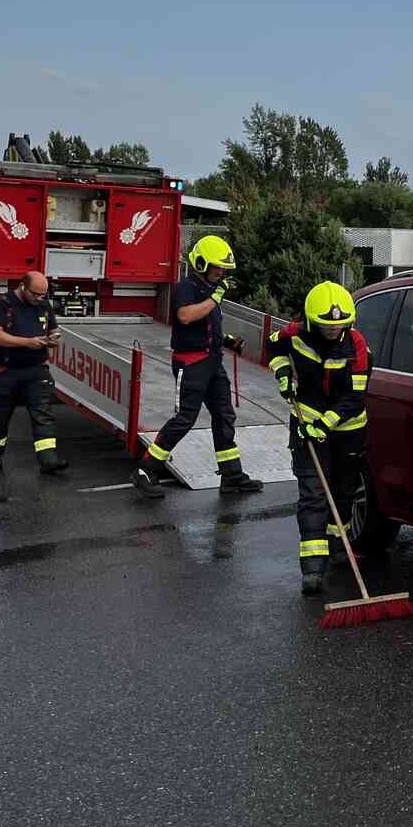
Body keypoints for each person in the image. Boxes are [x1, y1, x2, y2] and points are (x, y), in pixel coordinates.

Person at [131, 235, 263, 498]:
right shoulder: (187, 287)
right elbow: (186, 316)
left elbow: (208, 324)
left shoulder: (210, 291)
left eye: (224, 268)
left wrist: (226, 340)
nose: (222, 272)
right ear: (201, 263)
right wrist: (216, 298)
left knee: (224, 416)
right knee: (185, 418)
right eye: (217, 267)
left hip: (213, 363)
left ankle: (231, 475)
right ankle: (146, 470)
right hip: (191, 364)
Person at [266, 281, 369, 595]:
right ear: (312, 321)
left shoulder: (357, 345)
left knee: (343, 494)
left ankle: (337, 547)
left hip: (348, 430)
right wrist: (283, 373)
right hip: (305, 423)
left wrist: (325, 424)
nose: (332, 331)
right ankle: (313, 568)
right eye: (326, 326)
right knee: (313, 495)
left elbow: (355, 397)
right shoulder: (296, 333)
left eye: (339, 326)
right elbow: (273, 346)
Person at [0, 270, 68, 475]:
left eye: (43, 295)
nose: (39, 299)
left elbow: (53, 330)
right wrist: (27, 342)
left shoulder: (44, 306)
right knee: (0, 417)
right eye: (35, 294)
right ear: (22, 287)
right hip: (4, 371)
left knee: (43, 414)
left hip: (36, 370)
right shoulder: (1, 304)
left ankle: (49, 460)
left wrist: (54, 338)